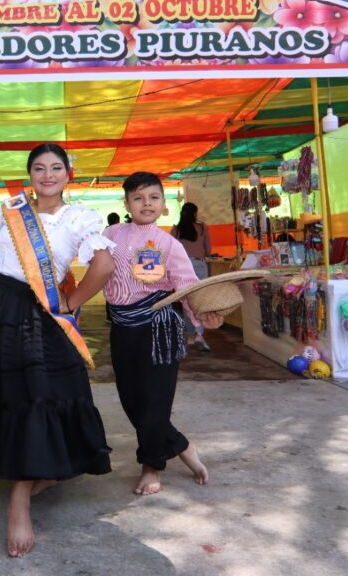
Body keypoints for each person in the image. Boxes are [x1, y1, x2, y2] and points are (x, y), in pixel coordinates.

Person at [0, 143, 116, 558]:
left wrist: (73, 300)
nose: (48, 175)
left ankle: (21, 496)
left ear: (69, 174)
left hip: (41, 313)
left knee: (39, 396)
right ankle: (25, 481)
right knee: (4, 394)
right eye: (39, 168)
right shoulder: (8, 210)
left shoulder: (80, 218)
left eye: (56, 168)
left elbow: (103, 265)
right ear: (30, 173)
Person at [102, 172, 222, 497]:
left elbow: (187, 286)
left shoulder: (169, 244)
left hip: (159, 328)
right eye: (138, 198)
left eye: (154, 197)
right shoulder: (110, 234)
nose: (146, 204)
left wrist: (202, 317)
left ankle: (151, 465)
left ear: (164, 205)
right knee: (131, 401)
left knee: (155, 402)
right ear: (126, 203)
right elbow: (97, 270)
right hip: (122, 327)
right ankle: (183, 446)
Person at [171, 202, 214, 350]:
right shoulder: (202, 227)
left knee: (186, 302)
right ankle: (199, 334)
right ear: (195, 213)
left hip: (181, 268)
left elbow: (171, 252)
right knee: (199, 301)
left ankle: (190, 335)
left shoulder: (176, 230)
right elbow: (208, 250)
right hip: (199, 265)